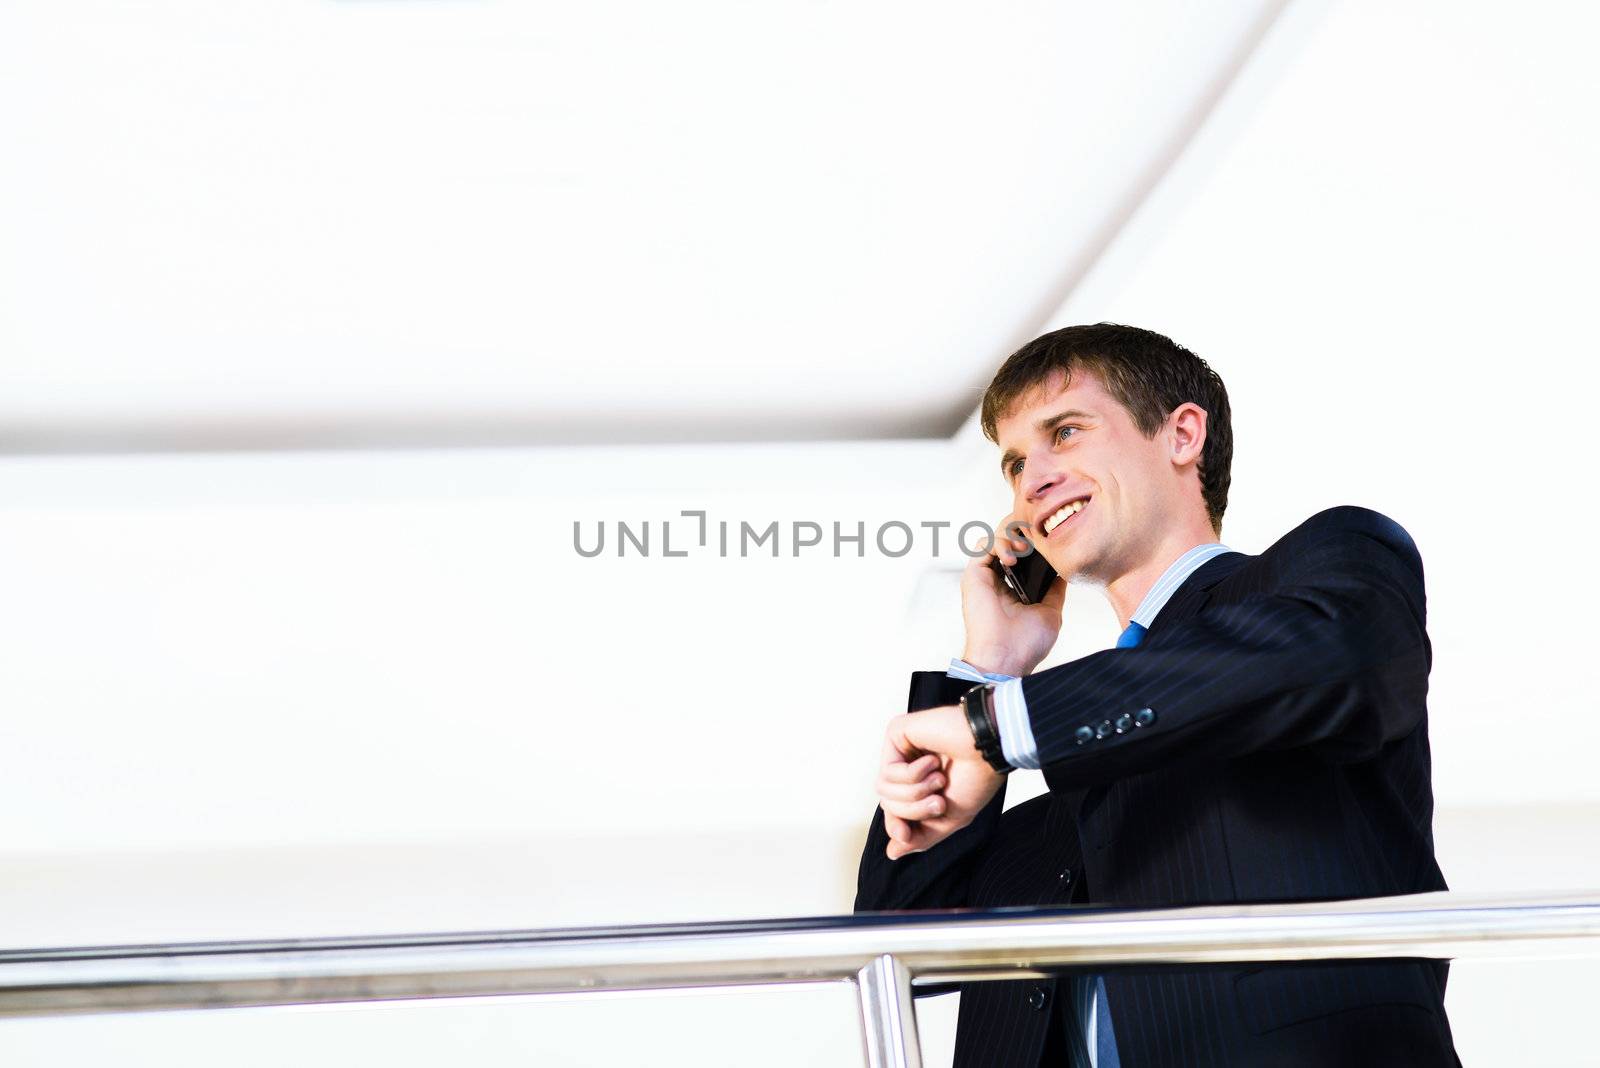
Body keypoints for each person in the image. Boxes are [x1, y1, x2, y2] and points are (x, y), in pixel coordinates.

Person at [854, 323, 1459, 1067]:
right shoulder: (1071, 781)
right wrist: (993, 666)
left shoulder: (1331, 559)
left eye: (1065, 432)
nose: (1029, 482)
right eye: (1014, 464)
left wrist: (997, 724)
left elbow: (1334, 656)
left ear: (1182, 435)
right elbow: (895, 942)